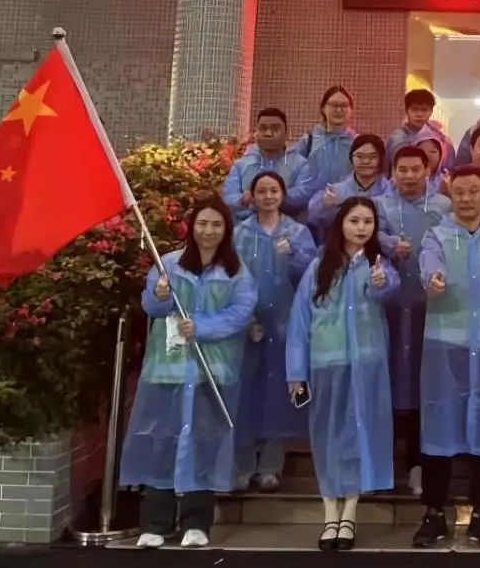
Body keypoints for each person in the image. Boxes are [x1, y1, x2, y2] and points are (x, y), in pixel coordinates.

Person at [122, 196, 255, 550]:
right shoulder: (167, 264)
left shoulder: (236, 271)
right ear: (191, 226)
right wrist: (160, 294)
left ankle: (196, 523)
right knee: (160, 442)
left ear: (226, 229)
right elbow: (152, 306)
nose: (208, 231)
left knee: (204, 443)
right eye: (203, 223)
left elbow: (242, 311)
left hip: (213, 371)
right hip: (168, 370)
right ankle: (156, 523)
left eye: (216, 224)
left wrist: (203, 327)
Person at [413, 165, 480, 550]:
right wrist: (432, 279)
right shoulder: (437, 234)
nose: (466, 198)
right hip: (446, 345)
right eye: (459, 192)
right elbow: (428, 263)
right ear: (451, 194)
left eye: (474, 191)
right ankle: (433, 513)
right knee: (439, 426)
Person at [287, 197, 399, 550]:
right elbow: (299, 323)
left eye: (368, 221)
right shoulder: (319, 265)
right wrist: (296, 373)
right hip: (326, 365)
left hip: (367, 367)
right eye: (355, 220)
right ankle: (329, 516)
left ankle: (349, 514)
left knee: (360, 436)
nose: (362, 227)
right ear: (341, 224)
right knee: (327, 439)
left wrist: (379, 282)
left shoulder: (379, 263)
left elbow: (389, 289)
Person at [374, 145, 452, 497]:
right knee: (387, 385)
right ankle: (383, 467)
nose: (408, 176)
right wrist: (389, 243)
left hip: (431, 307)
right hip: (388, 307)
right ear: (392, 173)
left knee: (426, 385)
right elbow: (367, 234)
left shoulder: (443, 206)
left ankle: (419, 466)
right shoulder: (379, 206)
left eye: (415, 169)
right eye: (401, 170)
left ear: (427, 171)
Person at [232, 172, 317, 492]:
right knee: (245, 394)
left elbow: (312, 276)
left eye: (274, 191)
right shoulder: (239, 233)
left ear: (283, 195)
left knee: (278, 396)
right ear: (252, 196)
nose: (268, 197)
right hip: (247, 324)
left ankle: (271, 466)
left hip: (285, 324)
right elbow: (228, 276)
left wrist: (292, 257)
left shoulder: (298, 232)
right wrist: (242, 319)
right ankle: (242, 466)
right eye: (262, 191)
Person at [222, 107, 308, 220]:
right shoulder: (240, 165)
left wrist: (273, 197)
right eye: (263, 128)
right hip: (246, 227)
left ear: (286, 133)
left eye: (275, 129)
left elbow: (304, 194)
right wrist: (242, 200)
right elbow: (228, 197)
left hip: (289, 227)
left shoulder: (301, 165)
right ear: (256, 133)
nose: (268, 133)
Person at [307, 134, 391, 242]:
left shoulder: (391, 191)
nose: (366, 161)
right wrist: (326, 207)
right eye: (359, 156)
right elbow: (314, 219)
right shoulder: (335, 191)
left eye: (372, 157)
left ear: (381, 159)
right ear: (351, 158)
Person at [292, 87, 359, 206]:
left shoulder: (357, 143)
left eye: (344, 105)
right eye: (333, 105)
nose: (339, 110)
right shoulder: (309, 140)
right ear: (323, 108)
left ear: (351, 110)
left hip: (345, 208)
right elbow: (292, 170)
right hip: (310, 209)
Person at [386, 88, 454, 176]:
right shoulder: (397, 138)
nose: (419, 114)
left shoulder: (441, 138)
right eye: (414, 110)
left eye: (424, 110)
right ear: (406, 111)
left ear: (431, 111)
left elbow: (449, 167)